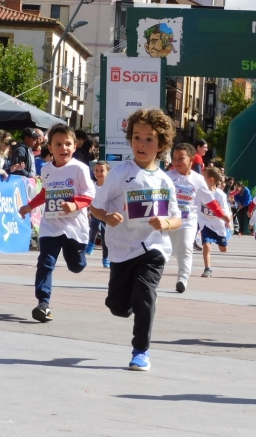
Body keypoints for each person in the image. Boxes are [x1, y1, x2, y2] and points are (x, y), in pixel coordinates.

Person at [90, 108, 181, 371]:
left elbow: (177, 218)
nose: (141, 144)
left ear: (161, 144)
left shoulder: (165, 181)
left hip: (154, 248)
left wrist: (165, 222)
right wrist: (107, 217)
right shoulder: (119, 174)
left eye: (149, 139)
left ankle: (141, 351)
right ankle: (127, 304)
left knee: (145, 293)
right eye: (136, 137)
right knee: (118, 307)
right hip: (121, 249)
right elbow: (95, 207)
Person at [19, 123, 95, 322]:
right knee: (45, 262)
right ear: (50, 148)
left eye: (68, 144)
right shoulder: (46, 170)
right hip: (50, 225)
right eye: (58, 144)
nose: (64, 148)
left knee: (76, 266)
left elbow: (90, 194)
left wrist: (75, 204)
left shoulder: (80, 169)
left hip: (74, 228)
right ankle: (43, 303)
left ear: (75, 146)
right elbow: (45, 192)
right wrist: (29, 206)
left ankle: (80, 257)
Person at [166, 143, 227, 291]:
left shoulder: (198, 180)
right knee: (172, 250)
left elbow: (209, 200)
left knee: (186, 248)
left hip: (188, 222)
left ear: (192, 160)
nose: (177, 162)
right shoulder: (167, 177)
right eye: (174, 158)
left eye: (181, 158)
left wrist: (221, 215)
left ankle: (183, 278)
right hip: (169, 221)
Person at [198, 168, 232, 278]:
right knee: (206, 245)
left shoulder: (220, 195)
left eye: (203, 177)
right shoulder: (200, 192)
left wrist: (227, 220)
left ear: (211, 179)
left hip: (218, 225)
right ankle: (207, 269)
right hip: (205, 223)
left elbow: (225, 210)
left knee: (223, 249)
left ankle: (223, 239)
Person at [86, 160, 110, 268]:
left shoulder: (110, 186)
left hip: (106, 214)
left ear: (108, 172)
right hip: (94, 211)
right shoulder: (91, 185)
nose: (99, 173)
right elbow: (87, 198)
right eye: (96, 170)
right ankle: (91, 242)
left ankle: (106, 257)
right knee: (94, 226)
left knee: (105, 237)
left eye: (102, 171)